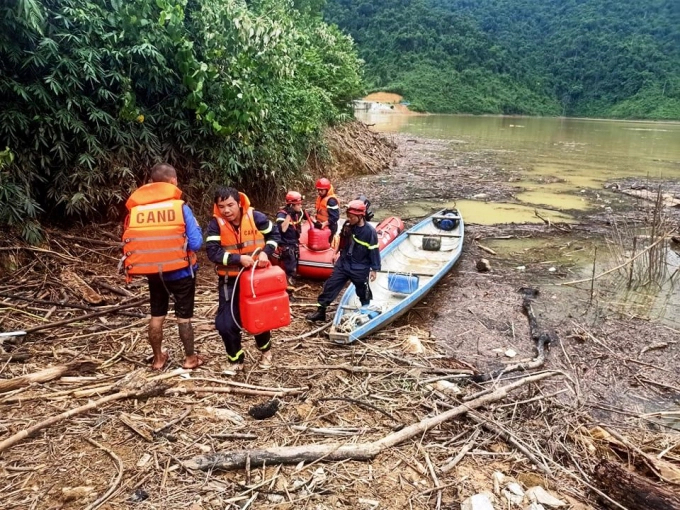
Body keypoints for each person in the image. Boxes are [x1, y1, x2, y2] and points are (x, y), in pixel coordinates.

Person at [122, 163, 203, 370]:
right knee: (183, 318)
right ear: (173, 182)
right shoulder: (180, 207)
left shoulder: (138, 211)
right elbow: (196, 243)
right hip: (181, 273)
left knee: (156, 317)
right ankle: (190, 359)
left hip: (154, 274)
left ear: (151, 183)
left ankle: (158, 359)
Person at [205, 187, 281, 371]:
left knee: (258, 317)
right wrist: (237, 259)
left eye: (230, 205)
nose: (226, 210)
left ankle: (266, 352)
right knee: (224, 324)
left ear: (239, 203)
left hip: (256, 278)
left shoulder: (256, 217)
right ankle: (236, 360)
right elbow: (212, 251)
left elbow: (275, 235)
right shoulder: (216, 224)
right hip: (229, 280)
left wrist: (266, 252)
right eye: (221, 206)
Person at [306, 200, 381, 322]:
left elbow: (374, 251)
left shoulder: (369, 232)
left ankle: (365, 310)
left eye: (352, 217)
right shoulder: (347, 225)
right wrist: (335, 253)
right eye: (348, 216)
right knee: (330, 285)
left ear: (360, 216)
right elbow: (342, 240)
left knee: (363, 290)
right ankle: (320, 311)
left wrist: (375, 269)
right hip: (344, 263)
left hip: (360, 266)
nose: (349, 219)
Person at [276, 191, 303, 287]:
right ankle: (288, 282)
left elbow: (306, 216)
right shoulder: (282, 215)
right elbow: (283, 229)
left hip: (294, 241)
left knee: (295, 259)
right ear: (291, 205)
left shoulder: (298, 213)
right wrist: (289, 215)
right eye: (298, 204)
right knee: (290, 262)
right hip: (286, 243)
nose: (300, 206)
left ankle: (293, 276)